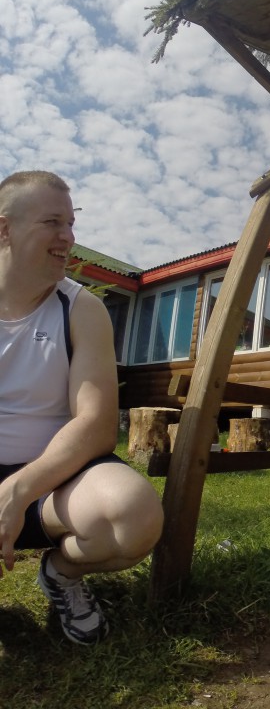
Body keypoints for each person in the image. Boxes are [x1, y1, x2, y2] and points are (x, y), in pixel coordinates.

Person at [0, 171, 164, 645]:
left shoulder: (80, 308)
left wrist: (18, 489)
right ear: (4, 229)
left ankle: (61, 574)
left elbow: (95, 424)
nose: (68, 237)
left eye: (71, 224)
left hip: (56, 482)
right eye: (52, 222)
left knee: (131, 515)